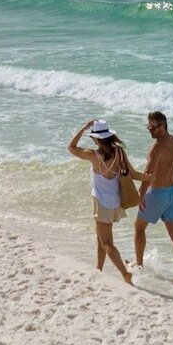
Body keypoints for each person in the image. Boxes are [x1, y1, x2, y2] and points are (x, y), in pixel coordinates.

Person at [67, 119, 141, 285]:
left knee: (107, 242)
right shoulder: (119, 153)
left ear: (95, 139)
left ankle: (125, 274)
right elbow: (133, 173)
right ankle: (99, 269)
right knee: (101, 236)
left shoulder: (93, 155)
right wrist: (149, 178)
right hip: (114, 201)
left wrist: (84, 127)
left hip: (101, 203)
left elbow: (71, 147)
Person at [133, 110, 173, 285]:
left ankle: (139, 265)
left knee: (138, 227)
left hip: (157, 194)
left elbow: (147, 176)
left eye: (153, 127)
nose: (150, 130)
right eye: (148, 127)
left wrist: (140, 198)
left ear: (163, 126)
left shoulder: (156, 148)